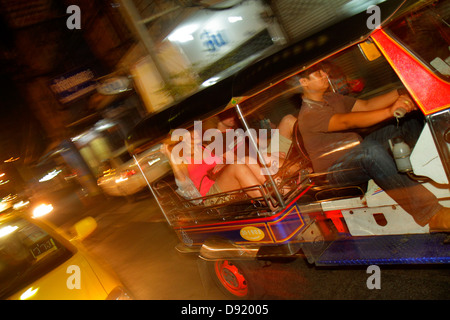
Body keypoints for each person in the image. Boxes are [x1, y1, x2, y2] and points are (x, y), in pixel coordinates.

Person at [297, 66, 450, 232]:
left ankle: (437, 170)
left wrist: (402, 91)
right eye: (319, 73)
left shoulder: (330, 98)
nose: (326, 74)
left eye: (323, 71)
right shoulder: (308, 115)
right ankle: (432, 214)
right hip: (333, 173)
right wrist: (389, 111)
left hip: (356, 150)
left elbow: (366, 105)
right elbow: (347, 121)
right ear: (303, 82)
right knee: (370, 152)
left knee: (406, 123)